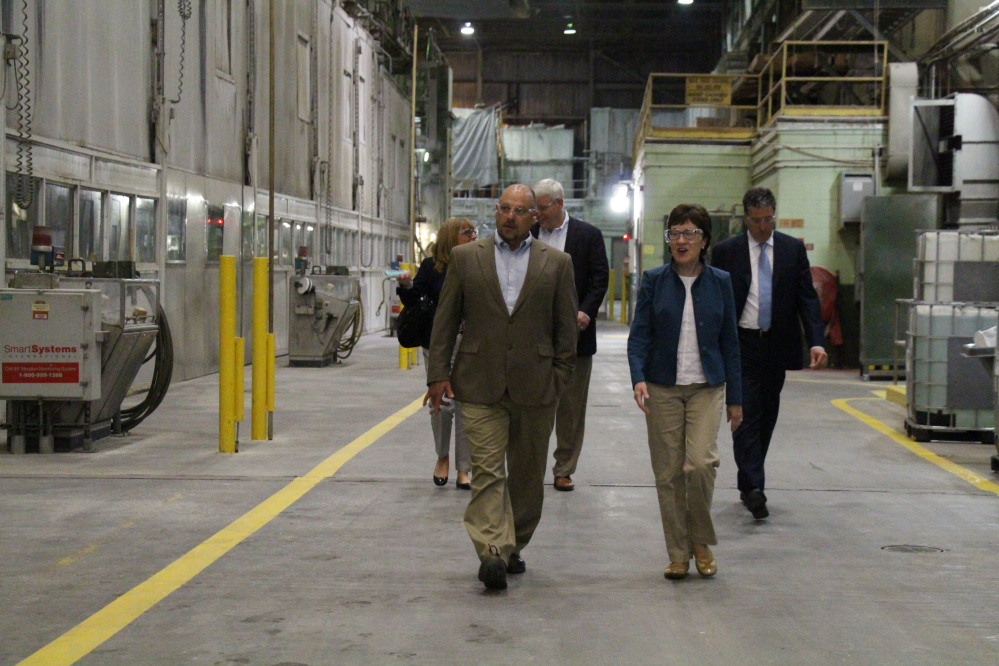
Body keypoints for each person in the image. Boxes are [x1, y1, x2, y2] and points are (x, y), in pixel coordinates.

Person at [427, 184, 578, 591]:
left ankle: (513, 543)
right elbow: (445, 321)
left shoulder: (558, 263)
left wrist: (559, 377)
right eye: (505, 209)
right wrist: (438, 373)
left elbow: (567, 331)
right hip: (478, 382)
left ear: (535, 217)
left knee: (527, 479)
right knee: (488, 472)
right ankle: (492, 550)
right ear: (497, 212)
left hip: (536, 385)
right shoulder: (465, 258)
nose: (511, 217)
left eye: (520, 211)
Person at [628, 204, 742, 581]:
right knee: (668, 474)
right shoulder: (653, 280)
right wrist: (638, 377)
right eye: (675, 233)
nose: (681, 240)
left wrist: (736, 398)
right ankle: (678, 553)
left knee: (701, 463)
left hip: (707, 387)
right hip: (662, 387)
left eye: (689, 233)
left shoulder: (721, 281)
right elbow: (639, 336)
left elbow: (731, 342)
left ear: (704, 240)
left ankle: (700, 541)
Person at [710, 186, 828, 521]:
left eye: (768, 219)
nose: (763, 226)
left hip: (777, 345)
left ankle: (748, 483)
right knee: (745, 415)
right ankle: (756, 487)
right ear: (745, 218)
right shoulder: (726, 251)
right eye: (756, 220)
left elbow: (807, 298)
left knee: (767, 417)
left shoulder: (792, 249)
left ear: (774, 214)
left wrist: (816, 340)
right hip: (741, 344)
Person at [530, 178, 609, 492]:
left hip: (576, 335)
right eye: (534, 208)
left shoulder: (588, 235)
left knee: (571, 407)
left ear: (560, 204)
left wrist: (586, 312)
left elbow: (600, 278)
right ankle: (531, 466)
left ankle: (564, 468)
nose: (538, 214)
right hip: (533, 336)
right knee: (534, 404)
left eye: (543, 207)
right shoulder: (529, 233)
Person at [396, 217, 478, 490]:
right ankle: (442, 456)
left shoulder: (479, 263)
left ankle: (464, 468)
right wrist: (406, 285)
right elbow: (413, 299)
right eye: (467, 233)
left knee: (466, 406)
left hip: (471, 345)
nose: (473, 237)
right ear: (451, 237)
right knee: (441, 405)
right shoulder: (433, 267)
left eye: (474, 232)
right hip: (439, 344)